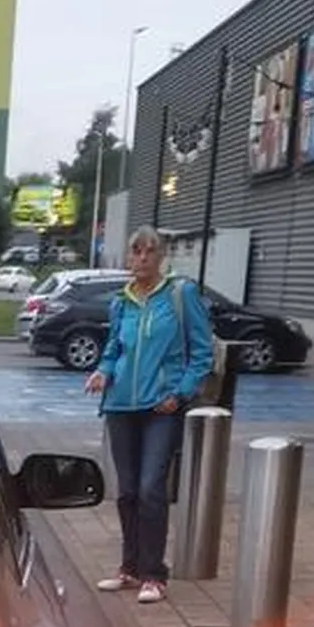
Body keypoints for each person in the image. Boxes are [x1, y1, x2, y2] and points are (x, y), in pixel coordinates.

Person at [86, 228, 213, 604]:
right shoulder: (121, 302)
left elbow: (202, 352)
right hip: (121, 405)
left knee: (150, 489)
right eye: (135, 251)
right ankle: (129, 568)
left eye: (149, 252)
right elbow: (113, 348)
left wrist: (181, 392)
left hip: (161, 406)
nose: (141, 258)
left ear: (161, 257)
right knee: (126, 492)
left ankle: (154, 574)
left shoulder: (180, 294)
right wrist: (102, 371)